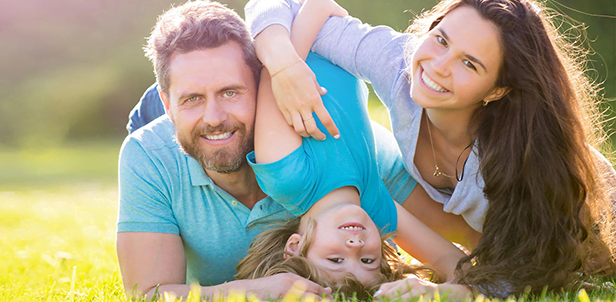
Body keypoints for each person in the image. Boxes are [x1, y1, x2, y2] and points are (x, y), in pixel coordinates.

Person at [245, 0, 616, 296]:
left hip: (586, 208)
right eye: (441, 39)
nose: (437, 66)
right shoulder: (401, 64)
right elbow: (280, 5)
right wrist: (284, 68)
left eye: (468, 64)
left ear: (497, 90)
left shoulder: (512, 165)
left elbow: (522, 271)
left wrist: (284, 69)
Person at [116, 1, 421, 299]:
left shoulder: (341, 144)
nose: (214, 117)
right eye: (192, 98)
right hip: (165, 127)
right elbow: (148, 293)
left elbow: (455, 236)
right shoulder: (148, 155)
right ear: (168, 104)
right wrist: (252, 291)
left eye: (230, 92)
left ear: (265, 85)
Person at [233, 2, 466, 297]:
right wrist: (440, 292)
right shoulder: (375, 207)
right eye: (368, 260)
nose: (355, 247)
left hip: (289, 22)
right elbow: (456, 263)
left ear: (295, 246)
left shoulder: (287, 176)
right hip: (337, 33)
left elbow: (281, 74)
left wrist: (316, 10)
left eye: (336, 259)